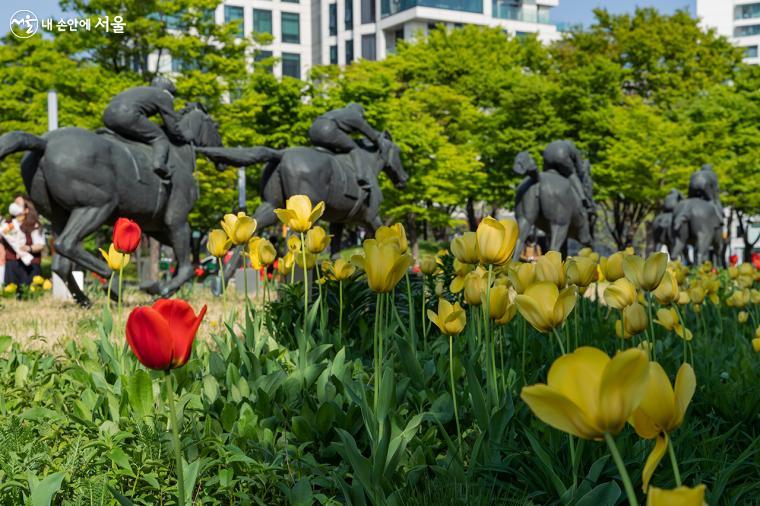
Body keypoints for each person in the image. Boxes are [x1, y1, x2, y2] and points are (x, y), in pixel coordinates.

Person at [102, 76, 185, 179]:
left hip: (107, 116)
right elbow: (172, 127)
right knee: (160, 138)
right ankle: (159, 164)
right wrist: (184, 136)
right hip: (127, 115)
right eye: (172, 95)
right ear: (168, 91)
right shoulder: (163, 95)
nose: (172, 98)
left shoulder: (141, 90)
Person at [1, 196, 45, 295]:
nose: (14, 206)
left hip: (30, 265)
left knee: (29, 295)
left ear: (26, 210)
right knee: (12, 296)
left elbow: (40, 245)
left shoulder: (34, 225)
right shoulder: (7, 224)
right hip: (11, 264)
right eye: (14, 203)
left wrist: (28, 248)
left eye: (18, 204)